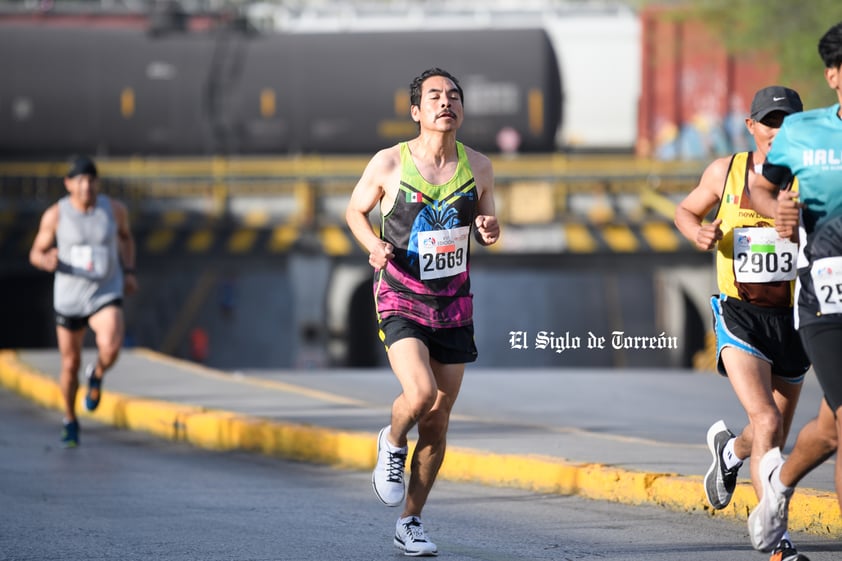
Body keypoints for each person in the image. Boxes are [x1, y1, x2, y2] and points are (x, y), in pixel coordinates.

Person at [345, 68, 499, 557]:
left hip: (453, 304)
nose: (445, 103)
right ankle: (391, 441)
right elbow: (354, 211)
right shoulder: (390, 163)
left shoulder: (479, 167)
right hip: (400, 295)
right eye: (434, 96)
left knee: (437, 419)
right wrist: (372, 245)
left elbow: (486, 219)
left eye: (453, 96)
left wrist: (490, 228)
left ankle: (410, 521)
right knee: (421, 393)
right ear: (416, 111)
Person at [674, 85, 811, 561]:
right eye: (769, 122)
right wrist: (698, 230)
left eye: (788, 122)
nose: (778, 131)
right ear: (751, 127)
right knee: (768, 419)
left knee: (768, 434)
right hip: (740, 315)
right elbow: (686, 209)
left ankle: (730, 454)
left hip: (794, 318)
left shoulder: (813, 177)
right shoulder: (725, 172)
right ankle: (777, 541)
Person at [747, 21, 842, 555]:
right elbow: (761, 187)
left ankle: (778, 483)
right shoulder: (804, 132)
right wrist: (778, 209)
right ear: (833, 74)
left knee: (830, 431)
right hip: (827, 292)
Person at [29, 155, 138, 448]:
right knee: (70, 362)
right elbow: (35, 252)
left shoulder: (114, 211)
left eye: (91, 180)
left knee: (112, 345)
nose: (86, 186)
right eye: (79, 180)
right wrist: (45, 259)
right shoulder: (56, 215)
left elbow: (126, 240)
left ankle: (97, 372)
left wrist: (128, 271)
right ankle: (69, 418)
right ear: (68, 184)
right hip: (70, 297)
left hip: (105, 291)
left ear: (97, 183)